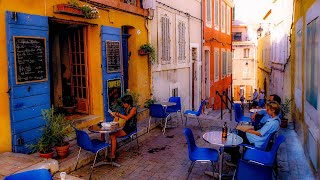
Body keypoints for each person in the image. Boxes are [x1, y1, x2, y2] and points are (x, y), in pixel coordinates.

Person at [225, 100, 281, 166]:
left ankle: (232, 156)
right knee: (237, 133)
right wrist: (251, 130)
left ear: (273, 110)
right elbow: (262, 131)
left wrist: (247, 131)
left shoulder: (271, 123)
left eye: (268, 109)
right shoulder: (277, 120)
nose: (266, 111)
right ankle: (235, 154)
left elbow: (260, 133)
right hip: (258, 139)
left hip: (257, 141)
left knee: (236, 135)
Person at [108, 95, 137, 161]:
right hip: (124, 125)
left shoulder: (133, 109)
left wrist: (118, 114)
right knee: (111, 132)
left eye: (124, 103)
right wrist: (114, 115)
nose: (123, 104)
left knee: (113, 135)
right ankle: (114, 148)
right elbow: (122, 117)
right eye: (123, 103)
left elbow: (127, 118)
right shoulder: (125, 108)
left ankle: (112, 155)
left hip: (130, 127)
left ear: (128, 103)